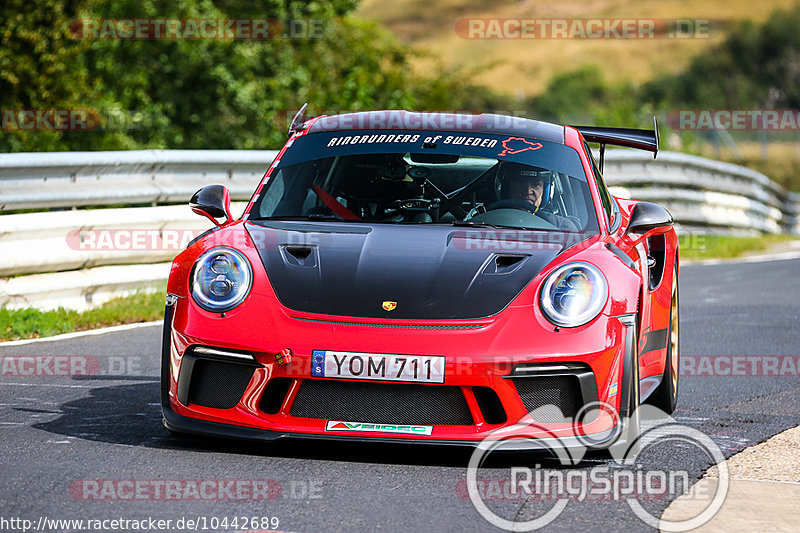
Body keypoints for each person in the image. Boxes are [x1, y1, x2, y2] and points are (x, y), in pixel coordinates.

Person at [500, 162, 579, 230]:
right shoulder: (490, 221)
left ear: (546, 191)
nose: (528, 191)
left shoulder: (561, 227)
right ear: (507, 187)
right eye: (521, 183)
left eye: (535, 184)